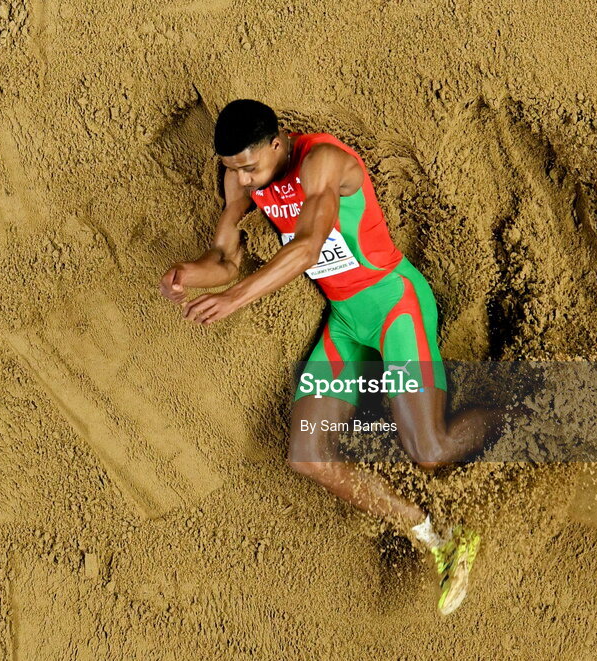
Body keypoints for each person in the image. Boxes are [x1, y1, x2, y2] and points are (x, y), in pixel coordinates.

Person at [159, 99, 504, 614]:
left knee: (429, 448)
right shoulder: (238, 176)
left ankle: (518, 417)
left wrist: (234, 299)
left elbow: (309, 246)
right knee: (308, 455)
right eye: (234, 171)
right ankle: (441, 538)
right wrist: (189, 274)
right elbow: (225, 258)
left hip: (393, 304)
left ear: (277, 144)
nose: (245, 182)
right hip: (347, 322)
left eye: (251, 168)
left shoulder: (319, 162)